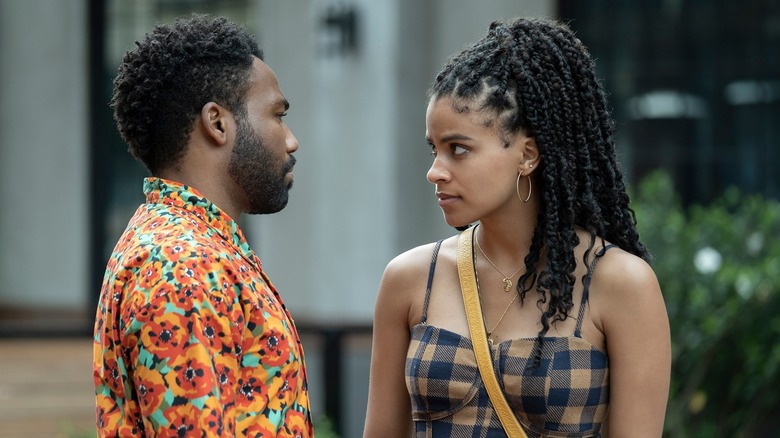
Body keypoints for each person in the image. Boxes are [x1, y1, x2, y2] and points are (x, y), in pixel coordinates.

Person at [364, 17, 671, 437]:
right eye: (434, 149)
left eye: (458, 149)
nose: (436, 171)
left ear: (527, 154)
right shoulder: (410, 279)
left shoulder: (621, 284)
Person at [92, 14, 312, 437]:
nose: (290, 139)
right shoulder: (181, 265)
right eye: (277, 115)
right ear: (217, 122)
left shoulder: (190, 249)